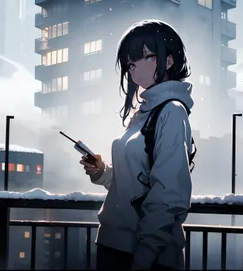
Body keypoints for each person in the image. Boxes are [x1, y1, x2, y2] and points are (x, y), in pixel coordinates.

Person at [79, 19, 195, 271]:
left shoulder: (171, 111)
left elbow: (169, 194)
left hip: (144, 254)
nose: (134, 67)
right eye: (130, 62)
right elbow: (135, 182)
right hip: (114, 244)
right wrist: (102, 172)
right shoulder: (143, 112)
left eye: (144, 57)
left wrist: (144, 256)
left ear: (169, 60)